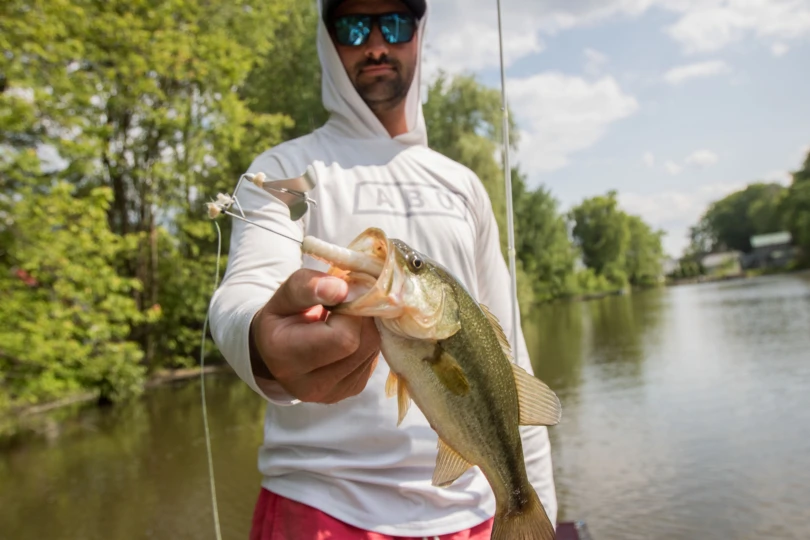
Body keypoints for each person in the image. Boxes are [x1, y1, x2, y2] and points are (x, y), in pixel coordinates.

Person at [208, 0, 558, 538]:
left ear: (419, 33)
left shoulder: (463, 186)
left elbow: (510, 359)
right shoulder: (286, 173)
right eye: (352, 26)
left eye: (393, 24)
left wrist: (541, 509)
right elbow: (245, 292)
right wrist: (259, 341)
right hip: (321, 508)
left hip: (476, 516)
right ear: (328, 41)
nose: (375, 44)